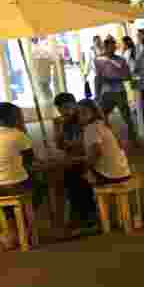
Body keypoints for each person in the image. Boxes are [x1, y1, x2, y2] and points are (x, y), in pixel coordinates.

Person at [52, 93, 98, 230]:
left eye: (67, 108)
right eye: (61, 109)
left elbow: (85, 145)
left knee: (75, 177)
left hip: (92, 159)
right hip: (75, 160)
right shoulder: (62, 122)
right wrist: (59, 130)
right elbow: (60, 146)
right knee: (65, 177)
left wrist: (70, 145)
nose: (64, 112)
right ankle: (79, 215)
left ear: (74, 105)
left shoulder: (84, 118)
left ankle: (86, 216)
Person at [0, 102, 38, 250]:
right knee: (40, 186)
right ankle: (25, 230)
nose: (19, 119)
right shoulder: (18, 135)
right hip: (15, 186)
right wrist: (22, 129)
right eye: (17, 117)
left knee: (8, 199)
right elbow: (30, 162)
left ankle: (12, 231)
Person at [95, 38, 142, 148]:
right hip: (106, 93)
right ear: (105, 47)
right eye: (111, 47)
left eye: (114, 47)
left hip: (119, 91)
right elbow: (98, 77)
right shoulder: (98, 60)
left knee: (127, 117)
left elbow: (127, 75)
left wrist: (118, 78)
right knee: (101, 116)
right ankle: (108, 140)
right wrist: (97, 94)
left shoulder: (121, 60)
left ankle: (133, 139)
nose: (113, 49)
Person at [79, 99, 133, 188]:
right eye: (79, 113)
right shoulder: (104, 124)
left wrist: (86, 168)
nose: (81, 116)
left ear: (94, 113)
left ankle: (95, 201)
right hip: (124, 172)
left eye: (84, 112)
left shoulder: (91, 127)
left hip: (110, 176)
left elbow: (96, 152)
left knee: (78, 177)